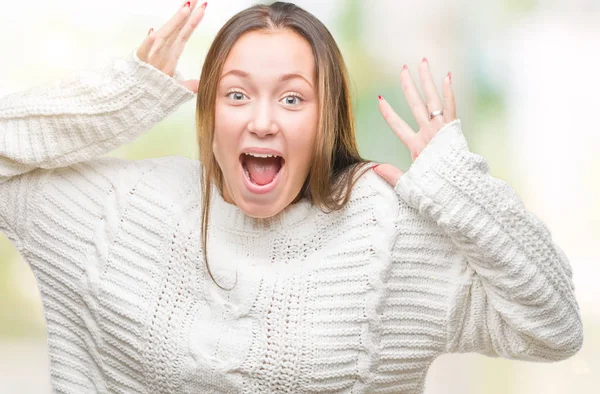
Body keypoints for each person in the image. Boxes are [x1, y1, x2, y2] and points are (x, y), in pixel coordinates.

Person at [0, 1, 583, 393]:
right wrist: (120, 97)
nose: (261, 121)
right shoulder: (124, 208)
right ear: (208, 111)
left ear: (327, 118)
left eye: (292, 99)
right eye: (236, 94)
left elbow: (554, 326)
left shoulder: (387, 236)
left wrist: (459, 187)